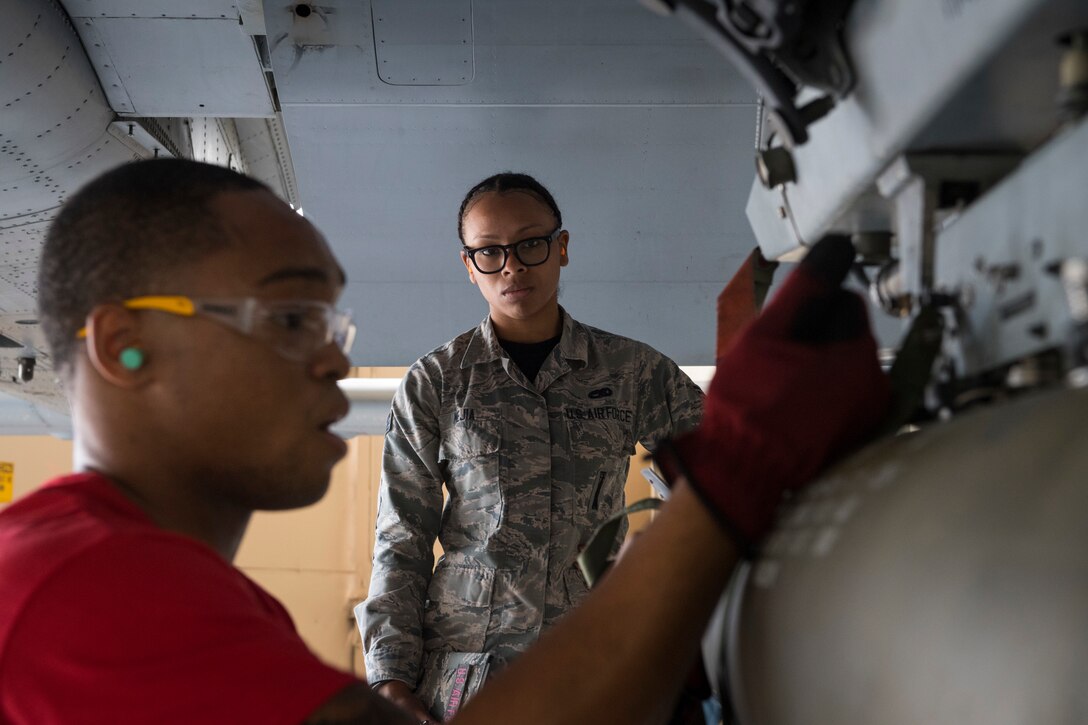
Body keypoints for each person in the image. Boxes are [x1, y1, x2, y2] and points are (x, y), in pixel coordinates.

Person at [0, 158, 889, 724]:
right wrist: (738, 481)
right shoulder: (92, 595)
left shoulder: (165, 587)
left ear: (561, 248)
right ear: (125, 345)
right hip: (475, 666)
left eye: (331, 321)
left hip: (579, 643)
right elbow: (403, 535)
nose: (332, 361)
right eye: (290, 316)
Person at [358, 173, 706, 720]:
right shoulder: (438, 381)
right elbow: (401, 538)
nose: (513, 266)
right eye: (490, 253)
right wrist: (390, 680)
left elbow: (710, 482)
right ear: (469, 266)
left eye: (529, 244)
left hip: (590, 662)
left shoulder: (632, 371)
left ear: (560, 248)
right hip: (468, 675)